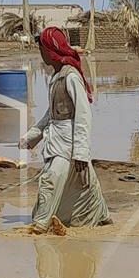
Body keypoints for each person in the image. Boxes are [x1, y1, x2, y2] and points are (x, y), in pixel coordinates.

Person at [20, 27, 111, 234]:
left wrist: (80, 151)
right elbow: (50, 115)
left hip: (68, 144)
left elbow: (83, 114)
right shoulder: (57, 77)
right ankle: (103, 220)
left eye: (42, 48)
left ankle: (40, 227)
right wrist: (31, 137)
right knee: (86, 185)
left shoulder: (70, 77)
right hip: (59, 141)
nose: (40, 53)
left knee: (50, 182)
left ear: (50, 50)